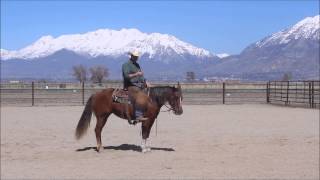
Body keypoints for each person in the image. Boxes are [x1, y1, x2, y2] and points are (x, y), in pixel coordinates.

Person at [122, 51, 150, 122]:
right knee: (140, 95)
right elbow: (126, 76)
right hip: (130, 85)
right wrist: (136, 74)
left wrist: (146, 81)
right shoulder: (126, 65)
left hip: (140, 85)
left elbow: (141, 76)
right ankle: (138, 115)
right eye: (135, 56)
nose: (136, 58)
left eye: (137, 57)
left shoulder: (137, 65)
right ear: (131, 56)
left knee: (150, 92)